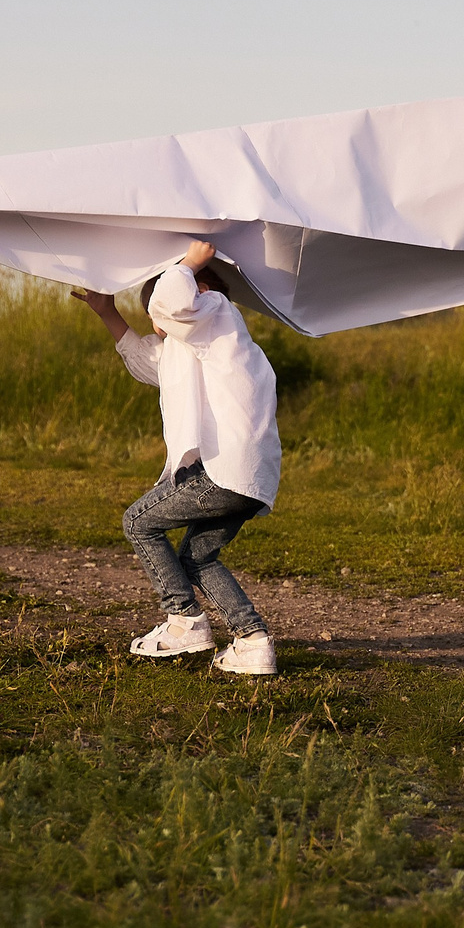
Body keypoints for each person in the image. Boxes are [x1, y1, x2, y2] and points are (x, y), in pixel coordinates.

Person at [71, 240, 282, 676]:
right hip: (248, 478)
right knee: (198, 558)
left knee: (138, 522)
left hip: (224, 472)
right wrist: (107, 312)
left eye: (155, 313)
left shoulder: (218, 314)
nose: (156, 323)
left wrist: (189, 262)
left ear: (198, 292)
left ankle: (184, 619)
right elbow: (149, 362)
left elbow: (171, 304)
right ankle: (253, 642)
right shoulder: (205, 345)